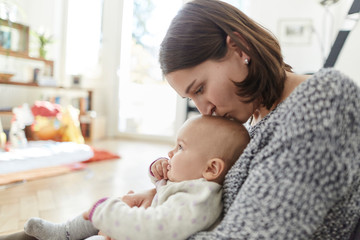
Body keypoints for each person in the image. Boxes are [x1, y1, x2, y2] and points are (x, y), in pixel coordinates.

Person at [127, 0, 360, 239]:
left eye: (200, 89)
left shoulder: (322, 100)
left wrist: (144, 231)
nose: (204, 110)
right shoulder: (254, 122)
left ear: (239, 48)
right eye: (192, 98)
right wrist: (165, 201)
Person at [14, 116, 250, 240]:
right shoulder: (192, 183)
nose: (170, 153)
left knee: (106, 210)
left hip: (144, 231)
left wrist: (108, 212)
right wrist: (157, 173)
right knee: (108, 208)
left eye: (180, 147)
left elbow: (158, 227)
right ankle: (63, 233)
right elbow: (163, 187)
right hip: (139, 228)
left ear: (211, 169)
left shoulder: (197, 200)